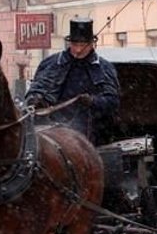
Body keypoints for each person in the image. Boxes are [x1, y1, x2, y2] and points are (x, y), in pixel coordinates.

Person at [24, 17, 120, 145]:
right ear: (69, 43)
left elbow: (113, 102)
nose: (78, 50)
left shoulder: (104, 68)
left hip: (92, 135)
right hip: (52, 131)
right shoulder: (51, 64)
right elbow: (36, 89)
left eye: (83, 46)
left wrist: (93, 101)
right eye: (75, 45)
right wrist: (35, 99)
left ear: (92, 44)